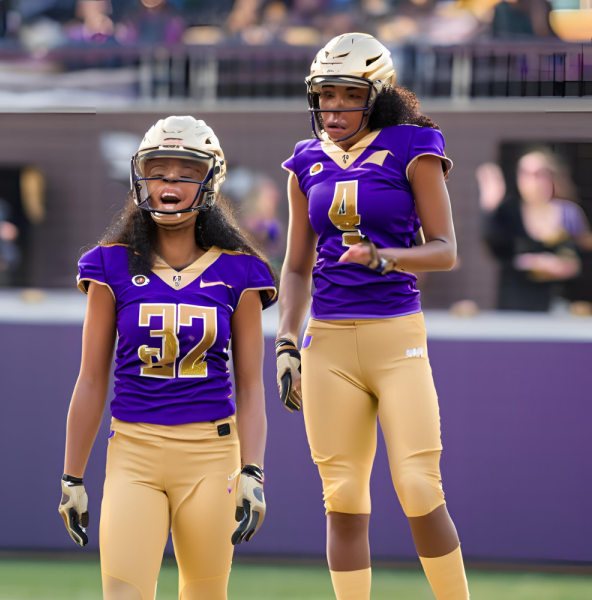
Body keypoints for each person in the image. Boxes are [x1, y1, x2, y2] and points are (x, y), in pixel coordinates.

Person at [276, 33, 469, 600]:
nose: (331, 108)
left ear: (377, 93)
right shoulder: (305, 160)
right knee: (342, 497)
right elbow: (294, 267)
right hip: (328, 342)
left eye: (345, 94)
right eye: (324, 95)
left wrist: (388, 258)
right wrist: (286, 340)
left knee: (418, 486)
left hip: (395, 335)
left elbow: (446, 249)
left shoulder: (413, 144)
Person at [58, 116, 277, 600]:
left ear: (210, 181)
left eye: (185, 173)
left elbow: (251, 384)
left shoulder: (242, 270)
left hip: (211, 453)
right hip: (133, 452)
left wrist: (253, 470)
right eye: (158, 172)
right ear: (140, 178)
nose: (169, 185)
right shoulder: (109, 262)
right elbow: (92, 380)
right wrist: (72, 476)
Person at [478, 149, 589, 311]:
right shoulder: (508, 212)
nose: (533, 181)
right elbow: (496, 250)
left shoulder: (569, 212)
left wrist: (566, 267)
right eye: (525, 174)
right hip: (518, 304)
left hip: (561, 305)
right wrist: (489, 207)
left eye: (539, 174)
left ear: (552, 177)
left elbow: (583, 255)